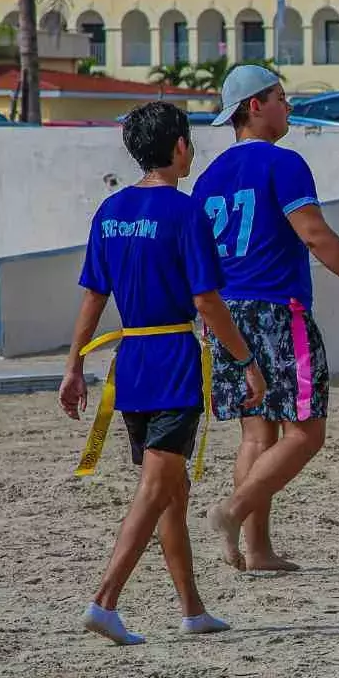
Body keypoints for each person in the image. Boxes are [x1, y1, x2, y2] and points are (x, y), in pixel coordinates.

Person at [58, 101, 265, 645]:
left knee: (174, 489)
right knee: (157, 488)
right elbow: (208, 301)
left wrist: (74, 363)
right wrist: (245, 360)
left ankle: (193, 609)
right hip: (174, 360)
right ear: (179, 148)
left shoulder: (110, 211)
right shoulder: (184, 211)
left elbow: (93, 296)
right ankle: (105, 600)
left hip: (131, 363)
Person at [192, 65, 339, 572]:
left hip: (228, 312)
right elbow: (314, 234)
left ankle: (256, 549)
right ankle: (233, 511)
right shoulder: (282, 164)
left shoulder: (207, 178)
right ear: (254, 106)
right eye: (280, 98)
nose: (288, 107)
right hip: (276, 309)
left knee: (255, 435)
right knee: (306, 432)